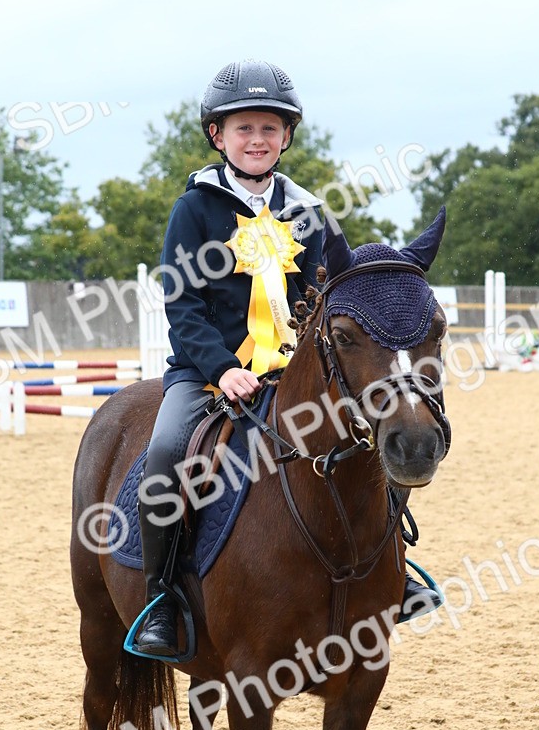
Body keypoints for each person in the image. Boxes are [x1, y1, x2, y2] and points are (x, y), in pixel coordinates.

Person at [134, 59, 439, 657]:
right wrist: (223, 368)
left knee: (380, 426)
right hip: (206, 375)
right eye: (243, 129)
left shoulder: (311, 213)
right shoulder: (193, 211)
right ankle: (163, 598)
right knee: (167, 451)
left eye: (269, 129)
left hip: (297, 374)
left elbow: (329, 296)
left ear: (286, 137)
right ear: (218, 136)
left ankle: (395, 573)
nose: (257, 140)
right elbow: (183, 305)